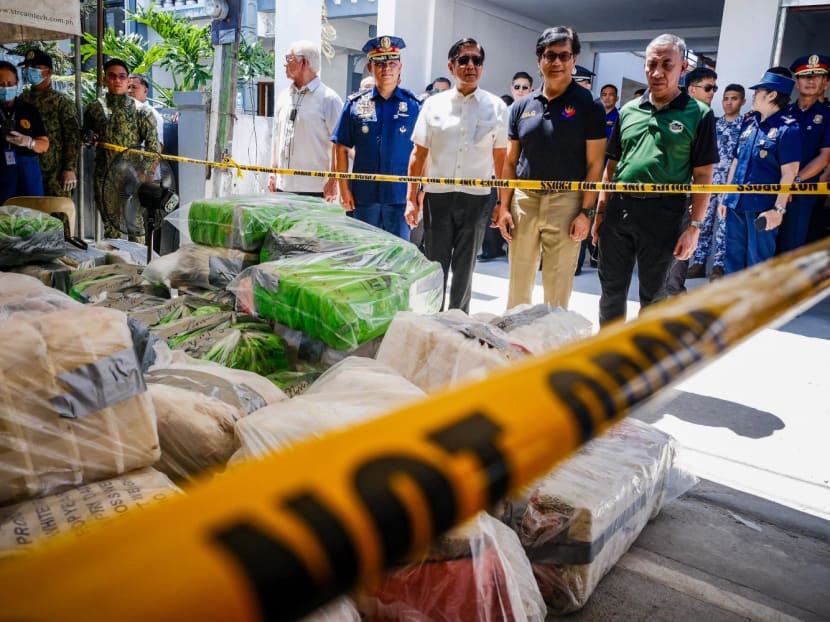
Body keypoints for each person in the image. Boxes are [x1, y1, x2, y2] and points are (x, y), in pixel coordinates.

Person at [591, 34, 718, 326]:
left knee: (655, 295)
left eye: (666, 65)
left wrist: (694, 228)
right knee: (611, 290)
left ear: (683, 68)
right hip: (619, 211)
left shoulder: (699, 114)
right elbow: (612, 166)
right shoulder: (628, 111)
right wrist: (600, 212)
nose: (657, 72)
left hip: (666, 214)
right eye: (651, 65)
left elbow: (703, 176)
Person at [494, 26, 606, 309]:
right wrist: (504, 206)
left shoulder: (589, 105)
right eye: (549, 55)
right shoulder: (521, 107)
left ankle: (553, 347)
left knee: (557, 289)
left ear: (574, 59)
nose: (556, 62)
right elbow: (509, 162)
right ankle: (516, 346)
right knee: (518, 284)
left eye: (564, 56)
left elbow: (595, 164)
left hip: (566, 204)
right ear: (539, 60)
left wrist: (585, 212)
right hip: (525, 202)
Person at [406, 37, 508, 311]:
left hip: (476, 199)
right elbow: (418, 155)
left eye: (477, 60)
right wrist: (411, 198)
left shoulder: (496, 107)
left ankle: (458, 323)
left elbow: (502, 161)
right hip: (437, 198)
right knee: (435, 266)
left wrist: (503, 204)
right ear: (451, 66)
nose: (471, 65)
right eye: (464, 60)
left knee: (465, 269)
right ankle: (433, 321)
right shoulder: (433, 105)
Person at [332, 36, 420, 239]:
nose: (386, 68)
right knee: (365, 253)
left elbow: (422, 152)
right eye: (380, 63)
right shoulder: (354, 104)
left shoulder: (414, 106)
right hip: (364, 197)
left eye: (392, 63)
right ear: (370, 67)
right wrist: (344, 190)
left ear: (400, 67)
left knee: (398, 256)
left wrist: (417, 194)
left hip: (399, 197)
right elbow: (341, 148)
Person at [718, 70, 800, 273]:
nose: (753, 95)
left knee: (758, 261)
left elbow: (789, 173)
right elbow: (736, 163)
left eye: (758, 91)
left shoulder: (788, 129)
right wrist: (725, 196)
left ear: (772, 95)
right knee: (733, 258)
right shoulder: (750, 123)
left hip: (762, 207)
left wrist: (778, 210)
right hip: (736, 203)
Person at [83, 58, 159, 240]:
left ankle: (139, 266)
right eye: (112, 76)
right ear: (104, 79)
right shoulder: (95, 109)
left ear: (127, 80)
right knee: (111, 227)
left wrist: (145, 173)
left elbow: (152, 145)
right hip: (105, 176)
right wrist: (88, 137)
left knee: (135, 225)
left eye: (122, 77)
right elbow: (85, 134)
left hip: (132, 176)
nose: (117, 80)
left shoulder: (141, 111)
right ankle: (117, 265)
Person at [663, 65, 719, 296]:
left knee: (679, 253)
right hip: (662, 195)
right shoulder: (673, 114)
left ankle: (674, 297)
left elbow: (705, 171)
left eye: (714, 88)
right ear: (691, 89)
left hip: (687, 197)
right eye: (708, 87)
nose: (712, 92)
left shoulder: (707, 118)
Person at [268, 40, 343, 199]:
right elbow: (276, 138)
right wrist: (272, 172)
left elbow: (339, 144)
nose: (284, 64)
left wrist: (333, 179)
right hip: (283, 186)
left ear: (304, 62)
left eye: (289, 58)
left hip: (315, 189)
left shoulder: (329, 99)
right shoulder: (283, 97)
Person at [688, 83, 746, 280]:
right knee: (702, 221)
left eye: (734, 98)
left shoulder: (745, 126)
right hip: (709, 182)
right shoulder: (714, 124)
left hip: (729, 184)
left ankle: (718, 266)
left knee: (724, 226)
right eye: (726, 98)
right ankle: (698, 262)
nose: (729, 102)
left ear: (743, 101)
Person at [776, 53, 830, 254]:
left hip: (802, 192)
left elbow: (824, 158)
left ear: (825, 83)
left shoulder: (827, 116)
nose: (810, 80)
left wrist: (792, 183)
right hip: (772, 189)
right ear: (797, 83)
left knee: (792, 247)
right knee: (765, 245)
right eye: (805, 76)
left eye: (816, 76)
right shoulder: (782, 113)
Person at [18, 49, 79, 198]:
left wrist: (69, 168)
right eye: (27, 68)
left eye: (36, 68)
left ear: (48, 72)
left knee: (57, 215)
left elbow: (72, 137)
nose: (30, 72)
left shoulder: (61, 102)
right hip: (27, 168)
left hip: (55, 171)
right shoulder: (22, 99)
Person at [0, 60, 49, 204]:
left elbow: (44, 145)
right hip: (1, 171)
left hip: (27, 169)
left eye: (10, 84)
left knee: (31, 215)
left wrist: (29, 142)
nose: (6, 88)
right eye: (1, 84)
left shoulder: (29, 110)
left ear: (17, 83)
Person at [127, 74, 164, 150]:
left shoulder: (153, 114)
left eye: (134, 87)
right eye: (128, 87)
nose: (130, 91)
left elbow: (158, 148)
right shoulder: (123, 112)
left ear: (145, 90)